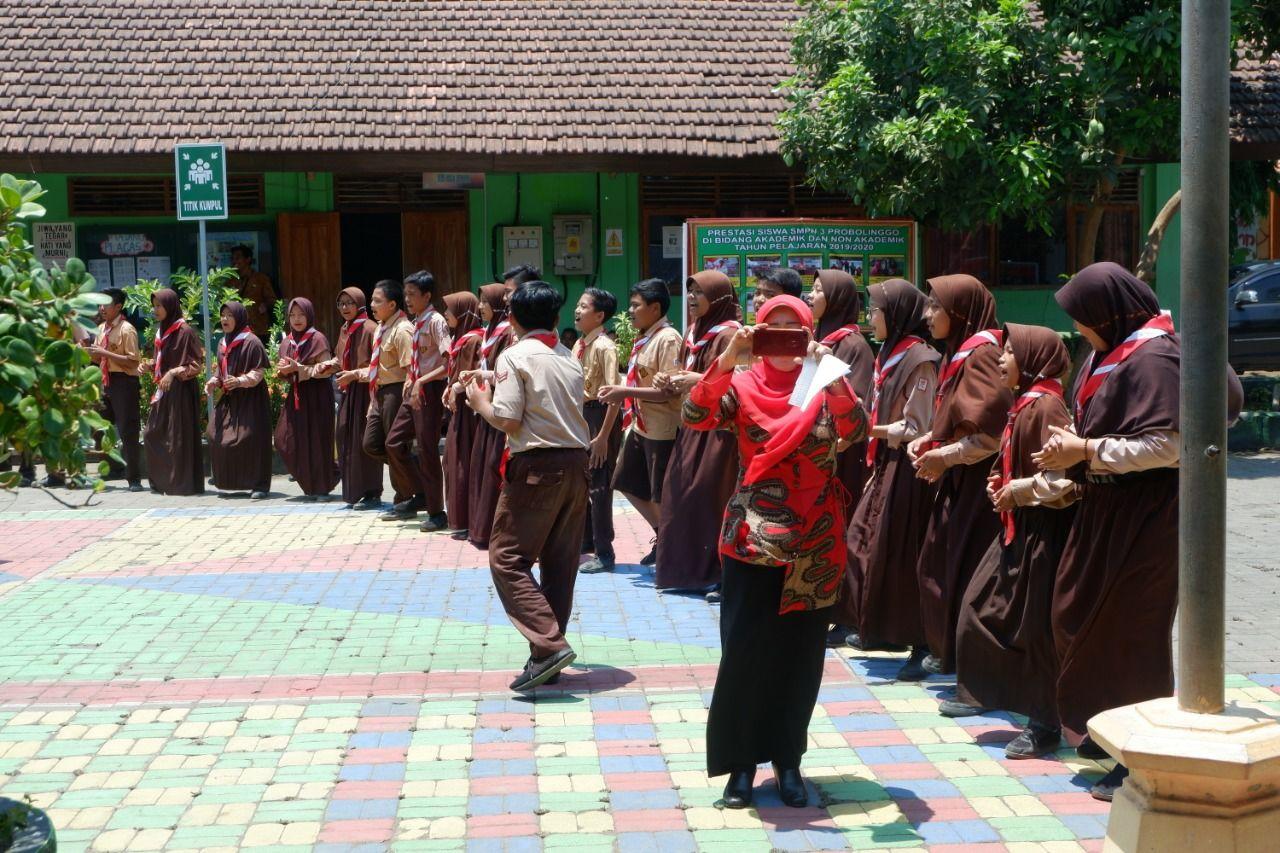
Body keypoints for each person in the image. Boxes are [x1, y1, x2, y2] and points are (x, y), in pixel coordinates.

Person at [1031, 262, 1243, 801]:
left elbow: (1171, 445)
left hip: (1149, 517)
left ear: (1111, 311)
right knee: (1078, 616)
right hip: (1107, 509)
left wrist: (1086, 451)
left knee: (1132, 633)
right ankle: (1108, 731)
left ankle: (1141, 757)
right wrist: (1070, 453)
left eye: (1083, 318)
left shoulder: (1155, 357)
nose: (1078, 329)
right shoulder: (1111, 352)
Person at [685, 295, 868, 810]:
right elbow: (695, 414)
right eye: (774, 328)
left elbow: (857, 433)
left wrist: (827, 371)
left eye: (796, 329)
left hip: (816, 543)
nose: (786, 338)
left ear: (811, 332)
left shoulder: (826, 382)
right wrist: (727, 358)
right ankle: (740, 767)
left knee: (799, 658)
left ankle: (789, 762)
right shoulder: (741, 384)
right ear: (759, 332)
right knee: (744, 654)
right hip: (752, 539)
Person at [954, 324, 1076, 757]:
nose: (1001, 360)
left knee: (1036, 629)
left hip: (1043, 534)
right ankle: (1011, 699)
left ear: (1032, 359)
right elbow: (1013, 459)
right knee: (981, 608)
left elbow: (1064, 481)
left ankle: (1045, 723)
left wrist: (1018, 491)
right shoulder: (1025, 404)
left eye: (1009, 353)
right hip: (1019, 527)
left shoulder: (1048, 408)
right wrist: (997, 482)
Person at [463, 280, 591, 692]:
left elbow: (508, 418)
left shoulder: (513, 355)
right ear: (556, 318)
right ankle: (545, 655)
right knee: (559, 563)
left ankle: (549, 645)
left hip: (536, 465)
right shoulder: (568, 356)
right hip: (576, 464)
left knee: (506, 558)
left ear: (512, 318)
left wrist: (478, 401)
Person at [835, 280, 941, 680]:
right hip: (886, 463)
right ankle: (885, 628)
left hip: (910, 469)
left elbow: (917, 426)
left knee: (902, 555)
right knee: (865, 543)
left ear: (894, 314)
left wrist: (868, 429)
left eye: (876, 311)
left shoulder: (921, 360)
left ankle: (922, 642)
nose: (869, 318)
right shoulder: (892, 353)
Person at [909, 274, 1012, 683]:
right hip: (958, 481)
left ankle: (974, 668)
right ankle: (951, 653)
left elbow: (989, 435)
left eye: (936, 306)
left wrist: (945, 456)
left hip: (976, 485)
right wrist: (929, 440)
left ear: (961, 312)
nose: (927, 314)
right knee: (941, 566)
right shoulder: (960, 352)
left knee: (966, 574)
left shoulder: (982, 354)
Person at [652, 271, 741, 596]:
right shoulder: (695, 331)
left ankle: (718, 573)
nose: (690, 298)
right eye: (689, 292)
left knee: (709, 496)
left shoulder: (731, 334)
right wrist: (669, 379)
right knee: (680, 493)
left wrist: (696, 380)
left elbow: (740, 378)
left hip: (719, 430)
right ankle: (687, 572)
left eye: (698, 293)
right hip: (692, 423)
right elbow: (685, 372)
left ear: (717, 298)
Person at [598, 279, 683, 566]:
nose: (630, 311)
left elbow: (670, 389)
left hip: (662, 427)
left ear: (655, 307)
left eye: (636, 305)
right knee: (626, 481)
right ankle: (665, 535)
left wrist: (626, 391)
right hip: (640, 424)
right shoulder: (646, 336)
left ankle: (673, 546)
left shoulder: (668, 338)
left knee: (660, 492)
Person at [380, 271, 451, 529]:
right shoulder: (418, 320)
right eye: (405, 294)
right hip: (415, 390)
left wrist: (422, 380)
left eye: (412, 295)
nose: (407, 299)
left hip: (430, 391)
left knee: (427, 450)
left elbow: (448, 362)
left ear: (427, 295)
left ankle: (436, 512)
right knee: (394, 442)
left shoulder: (436, 321)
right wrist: (412, 378)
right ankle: (420, 493)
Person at [573, 287, 623, 575]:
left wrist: (603, 436)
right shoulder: (581, 344)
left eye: (584, 307)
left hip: (601, 416)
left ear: (600, 315)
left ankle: (605, 552)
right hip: (584, 415)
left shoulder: (604, 347)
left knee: (600, 485)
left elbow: (614, 395)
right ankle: (588, 540)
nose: (577, 311)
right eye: (577, 306)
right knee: (586, 481)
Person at [323, 287, 383, 510]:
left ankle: (372, 492)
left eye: (349, 303)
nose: (345, 308)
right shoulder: (345, 329)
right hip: (348, 391)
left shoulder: (370, 328)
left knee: (363, 441)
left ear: (359, 303)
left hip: (365, 391)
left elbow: (377, 366)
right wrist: (325, 366)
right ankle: (353, 491)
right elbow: (340, 359)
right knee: (345, 437)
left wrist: (354, 374)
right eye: (341, 304)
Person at [206, 301, 273, 499]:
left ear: (240, 317)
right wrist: (214, 381)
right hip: (230, 397)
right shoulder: (223, 342)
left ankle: (259, 485)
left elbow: (258, 372)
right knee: (213, 433)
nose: (225, 319)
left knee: (249, 438)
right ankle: (228, 480)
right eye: (223, 315)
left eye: (230, 315)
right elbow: (221, 369)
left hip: (250, 398)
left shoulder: (252, 342)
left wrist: (241, 381)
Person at [274, 297, 338, 500]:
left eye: (301, 314)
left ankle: (321, 487)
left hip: (317, 396)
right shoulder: (287, 341)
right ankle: (314, 479)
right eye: (292, 315)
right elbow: (283, 369)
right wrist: (283, 371)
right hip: (296, 396)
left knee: (317, 441)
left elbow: (326, 369)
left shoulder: (317, 338)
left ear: (309, 315)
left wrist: (299, 369)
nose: (297, 319)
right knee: (283, 439)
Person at [466, 283, 516, 549]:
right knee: (482, 464)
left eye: (485, 302)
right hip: (486, 402)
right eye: (480, 301)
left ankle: (494, 532)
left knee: (495, 466)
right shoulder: (489, 332)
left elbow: (504, 372)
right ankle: (481, 528)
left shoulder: (508, 332)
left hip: (500, 405)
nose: (480, 307)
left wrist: (483, 377)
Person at [143, 288, 205, 495]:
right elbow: (163, 362)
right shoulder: (161, 331)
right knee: (152, 433)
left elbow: (196, 365)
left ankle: (182, 484)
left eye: (159, 305)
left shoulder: (185, 331)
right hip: (164, 389)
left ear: (170, 305)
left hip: (181, 391)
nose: (156, 309)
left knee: (178, 437)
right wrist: (150, 365)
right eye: (154, 306)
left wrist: (174, 372)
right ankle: (162, 481)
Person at [360, 280, 416, 506]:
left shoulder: (402, 330)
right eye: (372, 299)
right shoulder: (382, 328)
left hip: (396, 391)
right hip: (380, 392)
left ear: (392, 304)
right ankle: (415, 477)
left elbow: (410, 370)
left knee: (396, 447)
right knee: (372, 444)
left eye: (377, 301)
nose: (371, 305)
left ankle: (404, 497)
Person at [86, 288, 144, 491]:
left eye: (106, 304)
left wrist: (104, 353)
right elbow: (97, 357)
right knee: (100, 427)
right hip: (105, 380)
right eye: (100, 304)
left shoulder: (127, 329)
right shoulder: (101, 328)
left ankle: (134, 478)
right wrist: (88, 352)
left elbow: (132, 361)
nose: (101, 308)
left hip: (124, 383)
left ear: (118, 307)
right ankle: (114, 467)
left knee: (128, 430)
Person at [442, 291, 485, 535]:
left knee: (462, 461)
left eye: (450, 309)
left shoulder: (473, 341)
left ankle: (466, 519)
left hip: (469, 412)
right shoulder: (460, 338)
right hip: (457, 411)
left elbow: (472, 375)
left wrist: (455, 388)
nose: (446, 314)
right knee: (452, 460)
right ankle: (458, 518)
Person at [230, 245, 277, 338]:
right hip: (237, 329)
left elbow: (272, 300)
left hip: (258, 329)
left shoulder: (261, 279)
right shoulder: (230, 281)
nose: (234, 261)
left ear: (248, 259)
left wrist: (265, 305)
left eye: (238, 257)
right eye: (232, 258)